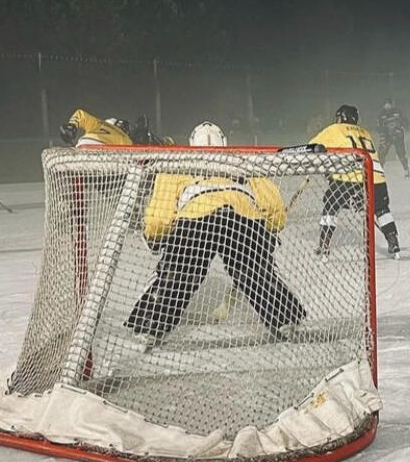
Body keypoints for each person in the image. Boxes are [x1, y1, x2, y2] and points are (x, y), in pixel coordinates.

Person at [124, 121, 305, 341]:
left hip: (195, 218)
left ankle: (149, 328)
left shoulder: (176, 164)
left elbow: (160, 214)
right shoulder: (241, 160)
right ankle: (287, 321)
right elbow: (272, 204)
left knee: (179, 275)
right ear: (224, 142)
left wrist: (154, 236)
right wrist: (271, 227)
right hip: (242, 216)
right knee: (255, 274)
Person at [309, 104, 402, 259]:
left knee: (331, 206)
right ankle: (393, 241)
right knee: (381, 209)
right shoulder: (365, 132)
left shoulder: (335, 129)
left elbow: (312, 146)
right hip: (376, 177)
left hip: (349, 177)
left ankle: (324, 245)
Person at [59, 109, 133, 148]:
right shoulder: (125, 137)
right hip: (105, 156)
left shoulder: (99, 123)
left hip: (83, 145)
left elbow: (80, 114)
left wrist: (72, 125)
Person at [376, 98, 410, 177]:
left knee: (401, 153)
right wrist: (383, 133)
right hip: (386, 137)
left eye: (389, 104)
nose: (387, 106)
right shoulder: (381, 114)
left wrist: (401, 128)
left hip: (397, 136)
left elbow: (405, 122)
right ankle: (379, 172)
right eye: (386, 104)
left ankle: (406, 170)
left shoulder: (398, 112)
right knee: (381, 154)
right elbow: (378, 127)